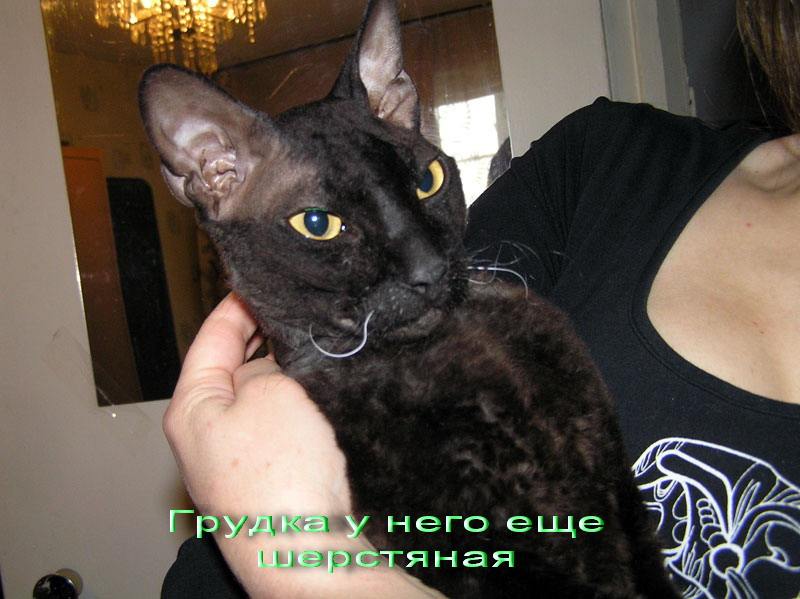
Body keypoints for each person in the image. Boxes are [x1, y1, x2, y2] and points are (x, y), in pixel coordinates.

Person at [161, 0, 800, 596]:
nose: (426, 263)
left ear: (397, 102)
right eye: (321, 223)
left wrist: (316, 564)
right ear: (214, 174)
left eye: (425, 183)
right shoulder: (610, 159)